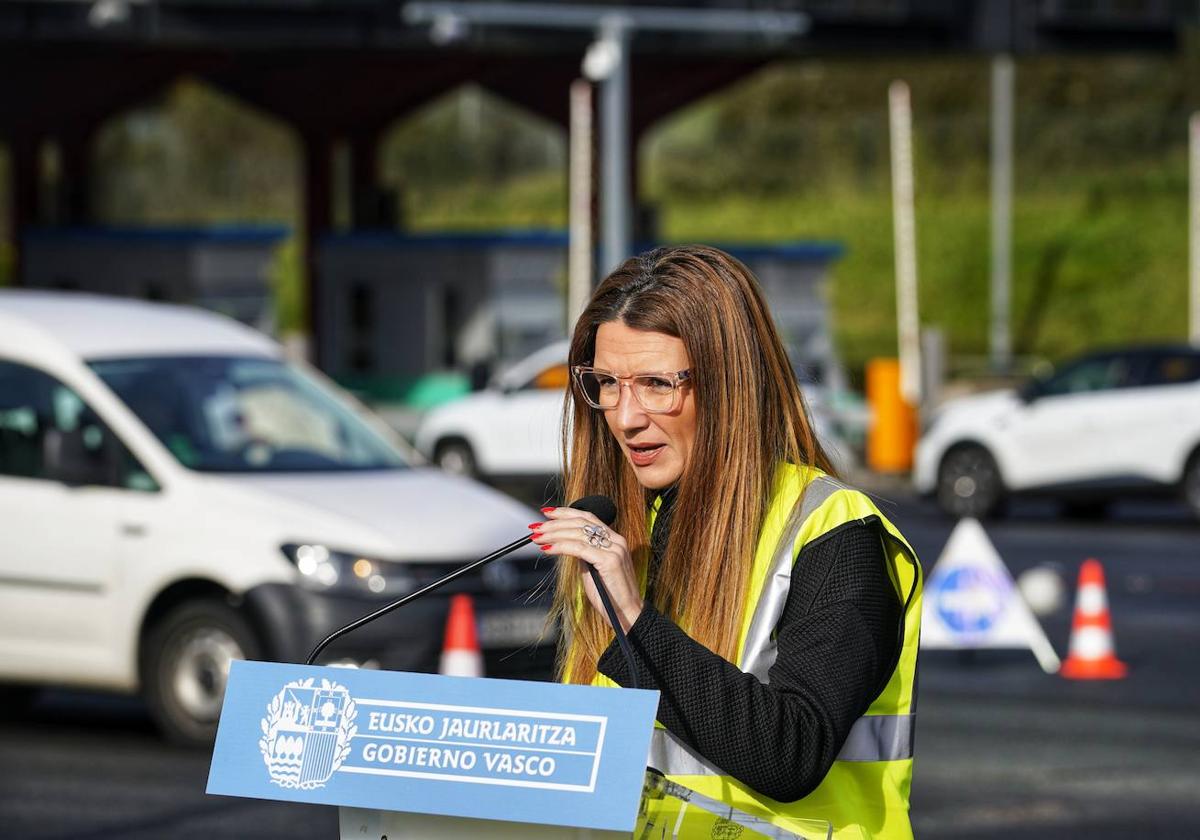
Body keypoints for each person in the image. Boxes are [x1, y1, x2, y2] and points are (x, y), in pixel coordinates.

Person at [529, 245, 922, 840]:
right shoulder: (626, 532)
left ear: (730, 384)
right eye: (607, 383)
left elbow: (791, 754)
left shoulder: (834, 533)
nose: (626, 416)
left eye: (658, 384)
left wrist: (635, 623)